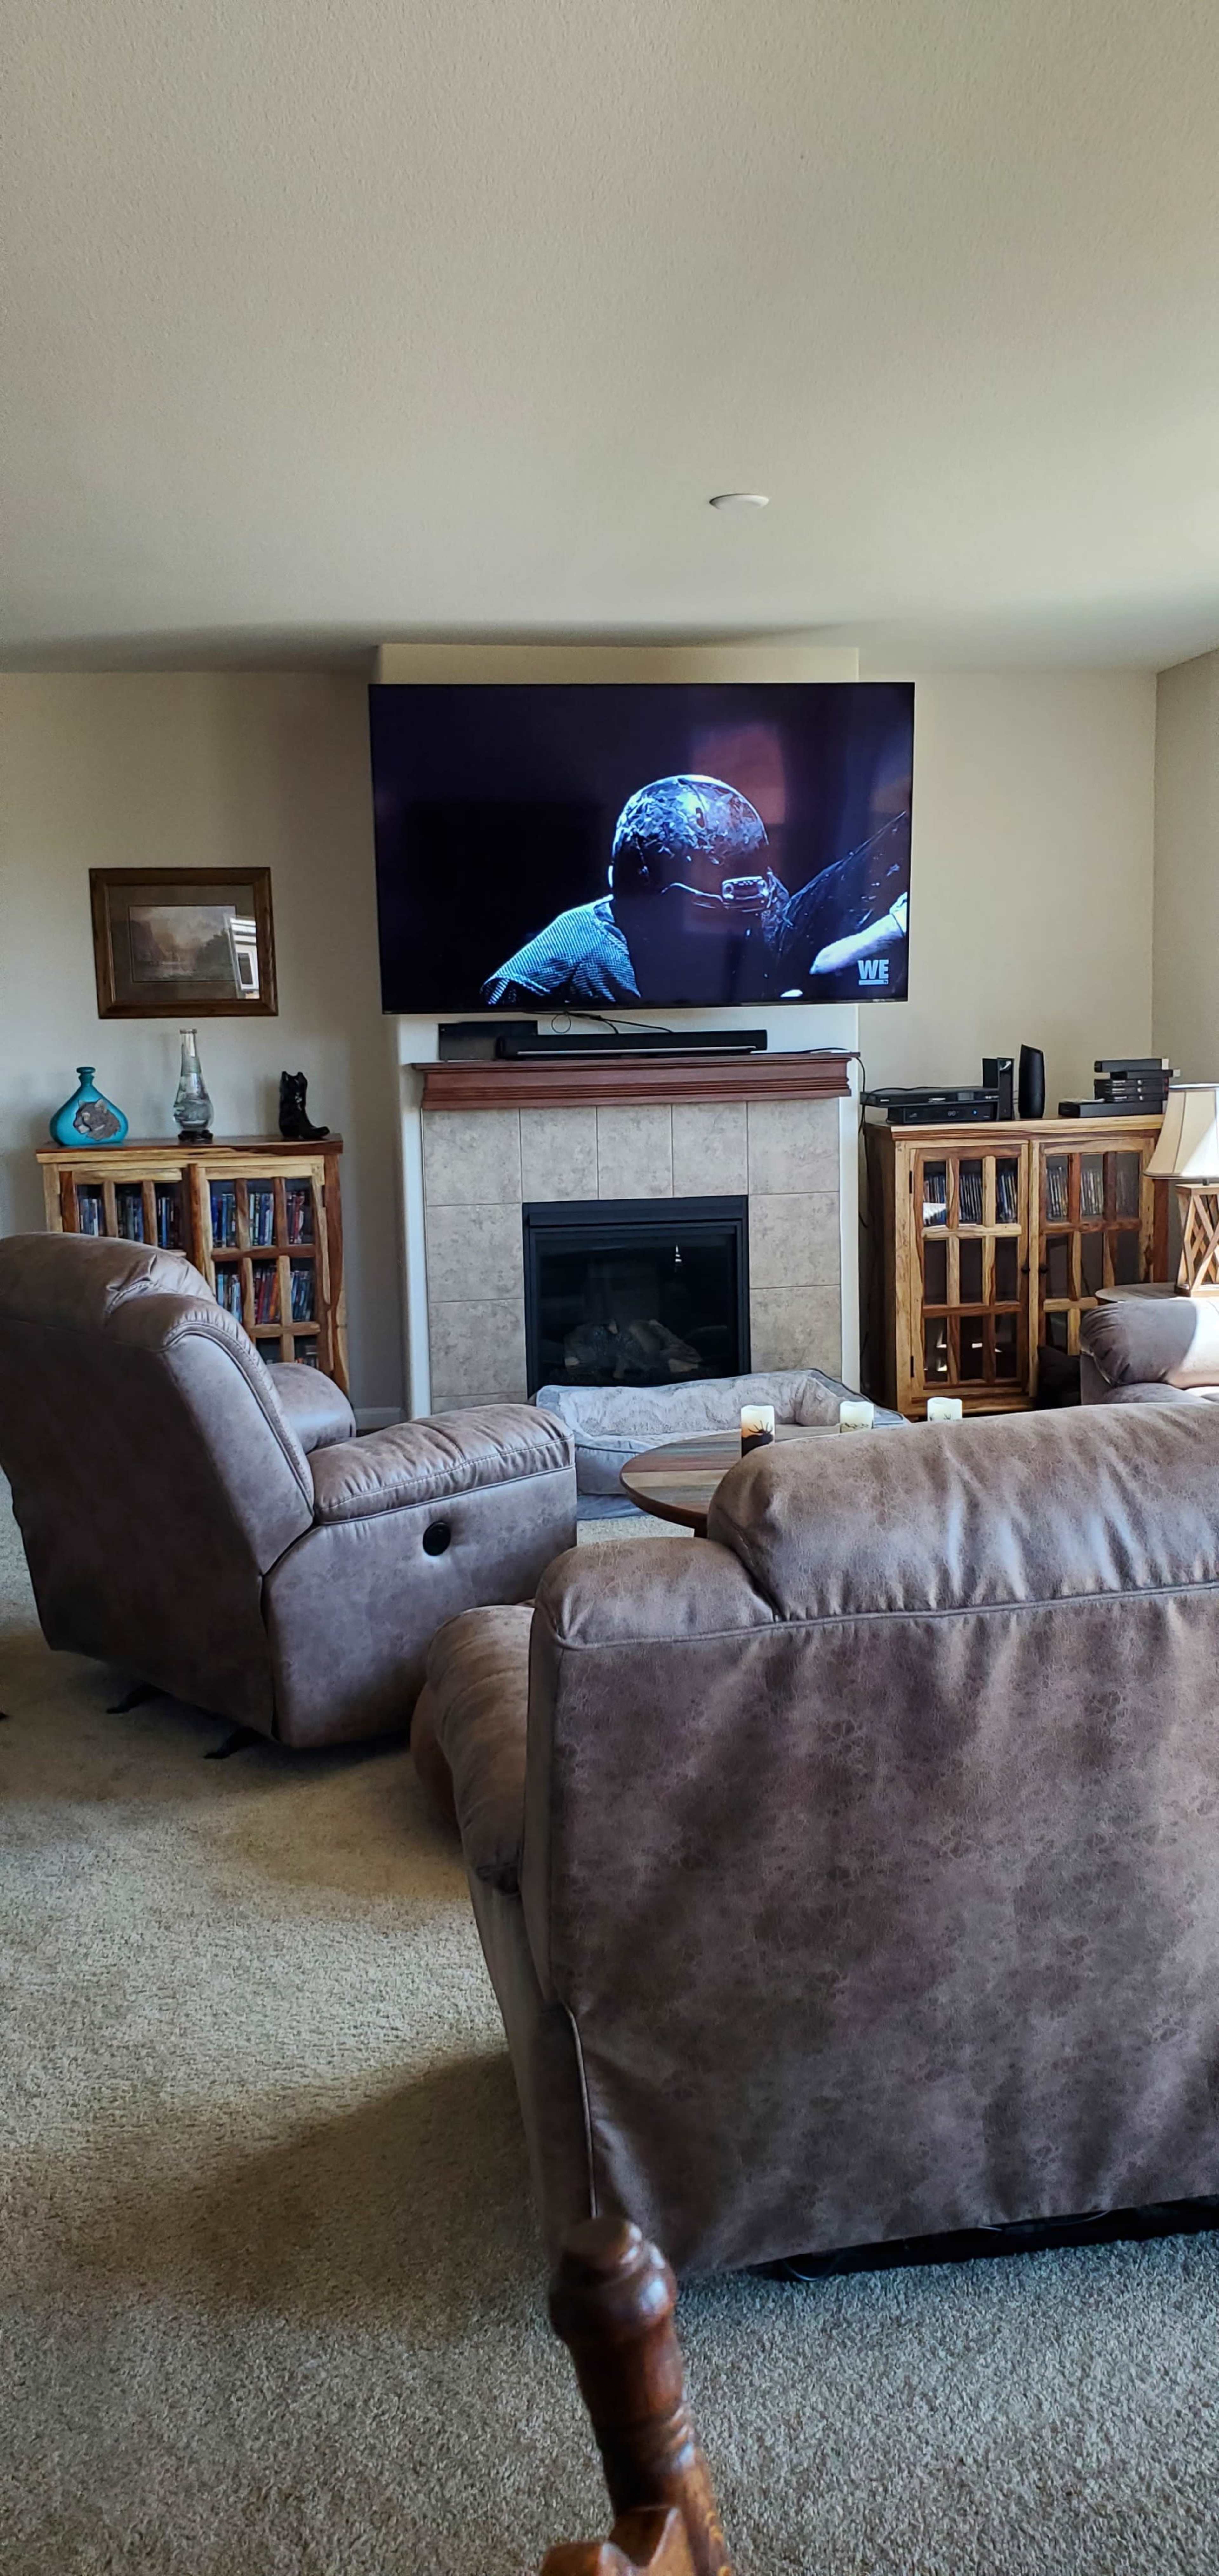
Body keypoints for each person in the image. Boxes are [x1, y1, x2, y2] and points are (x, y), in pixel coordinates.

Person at [481, 775, 788, 1008]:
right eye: (710, 916)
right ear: (644, 900)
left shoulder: (759, 919)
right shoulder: (571, 959)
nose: (733, 933)